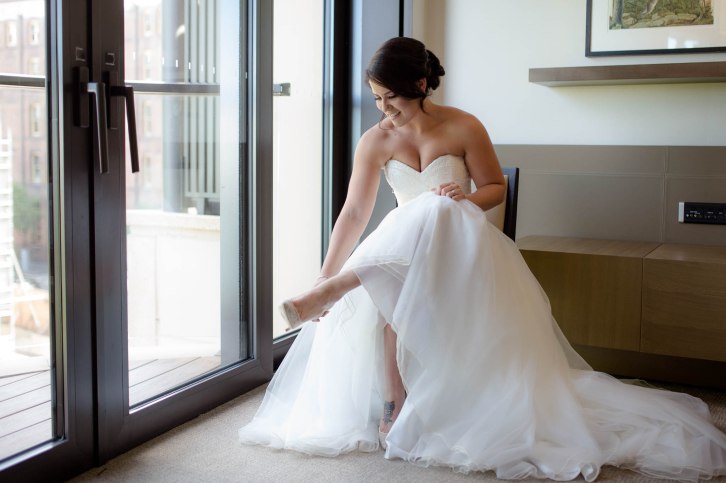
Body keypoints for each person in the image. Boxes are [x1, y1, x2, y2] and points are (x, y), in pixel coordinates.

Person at [239, 37, 726, 481]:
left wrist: (463, 198)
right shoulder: (376, 140)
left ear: (421, 86)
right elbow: (353, 213)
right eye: (377, 99)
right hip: (401, 259)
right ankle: (382, 380)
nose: (385, 110)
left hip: (463, 249)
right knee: (406, 246)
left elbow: (495, 187)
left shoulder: (463, 125)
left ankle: (337, 296)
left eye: (392, 98)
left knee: (434, 207)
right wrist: (326, 267)